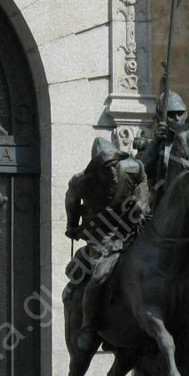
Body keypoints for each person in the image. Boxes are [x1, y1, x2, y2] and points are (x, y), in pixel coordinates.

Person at [64, 137, 150, 346]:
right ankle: (89, 325)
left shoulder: (133, 168)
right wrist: (72, 225)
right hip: (102, 237)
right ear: (96, 169)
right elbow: (71, 202)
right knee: (100, 276)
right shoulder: (82, 182)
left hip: (132, 230)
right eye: (105, 168)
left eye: (113, 165)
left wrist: (141, 200)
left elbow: (144, 183)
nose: (111, 172)